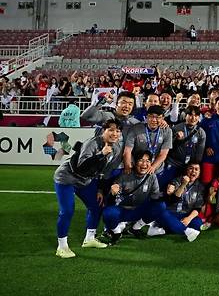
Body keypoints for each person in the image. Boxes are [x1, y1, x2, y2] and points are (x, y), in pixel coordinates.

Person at [53, 119, 123, 258]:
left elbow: (105, 172)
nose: (115, 133)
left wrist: (100, 190)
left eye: (118, 131)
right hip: (67, 177)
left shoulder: (116, 148)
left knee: (97, 205)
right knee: (67, 211)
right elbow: (81, 167)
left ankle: (89, 239)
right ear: (104, 131)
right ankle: (62, 246)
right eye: (111, 130)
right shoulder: (92, 143)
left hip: (85, 181)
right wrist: (101, 154)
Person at [102, 151, 171, 245]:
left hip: (138, 210)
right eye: (141, 160)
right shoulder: (125, 174)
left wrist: (167, 194)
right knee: (108, 213)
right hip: (122, 211)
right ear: (134, 162)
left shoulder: (152, 176)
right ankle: (116, 232)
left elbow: (155, 197)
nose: (144, 164)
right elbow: (112, 199)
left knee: (160, 206)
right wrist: (113, 192)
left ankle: (135, 228)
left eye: (148, 161)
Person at [122, 105, 172, 186]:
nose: (154, 120)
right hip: (137, 168)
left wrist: (153, 167)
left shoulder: (167, 131)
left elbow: (164, 154)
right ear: (146, 117)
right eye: (151, 116)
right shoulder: (135, 128)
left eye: (158, 117)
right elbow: (127, 151)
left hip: (156, 169)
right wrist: (128, 166)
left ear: (163, 118)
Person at [154, 162, 204, 240]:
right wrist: (183, 185)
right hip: (171, 213)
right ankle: (186, 231)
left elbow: (198, 207)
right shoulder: (176, 181)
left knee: (198, 223)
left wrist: (189, 218)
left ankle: (172, 228)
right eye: (191, 168)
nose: (193, 171)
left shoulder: (200, 187)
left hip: (185, 214)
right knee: (162, 214)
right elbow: (174, 199)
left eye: (196, 169)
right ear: (186, 170)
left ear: (199, 173)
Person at [161, 105, 206, 188]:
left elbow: (199, 154)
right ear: (185, 116)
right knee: (167, 186)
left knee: (182, 188)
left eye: (196, 116)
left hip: (188, 167)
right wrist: (176, 138)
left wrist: (194, 169)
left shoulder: (201, 132)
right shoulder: (176, 128)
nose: (193, 118)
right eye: (190, 115)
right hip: (173, 164)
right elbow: (168, 147)